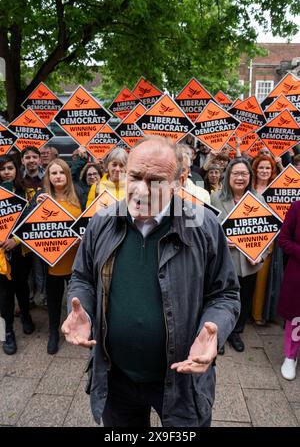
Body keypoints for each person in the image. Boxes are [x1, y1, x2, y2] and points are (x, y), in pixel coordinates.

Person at [61, 136, 240, 427]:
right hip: (115, 379)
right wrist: (81, 309)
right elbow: (82, 278)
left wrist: (215, 329)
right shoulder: (102, 221)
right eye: (135, 176)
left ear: (178, 181)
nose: (142, 190)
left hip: (182, 381)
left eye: (155, 180)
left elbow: (225, 295)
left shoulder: (204, 226)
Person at [211, 158, 266, 354]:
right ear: (228, 176)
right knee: (221, 299)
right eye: (236, 173)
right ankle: (219, 334)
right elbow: (209, 230)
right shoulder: (216, 198)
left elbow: (266, 232)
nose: (240, 178)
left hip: (250, 263)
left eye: (244, 174)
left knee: (244, 299)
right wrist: (221, 241)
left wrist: (260, 255)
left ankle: (236, 332)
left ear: (250, 177)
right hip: (225, 262)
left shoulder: (258, 200)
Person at [29, 159, 82, 354]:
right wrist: (36, 207)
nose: (58, 176)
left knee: (77, 299)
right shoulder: (40, 197)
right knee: (53, 301)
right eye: (53, 173)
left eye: (61, 172)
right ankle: (53, 332)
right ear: (48, 177)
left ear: (67, 175)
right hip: (52, 264)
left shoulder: (79, 194)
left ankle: (78, 329)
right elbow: (27, 226)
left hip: (75, 261)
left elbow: (90, 223)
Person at [0, 155, 35, 355]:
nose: (6, 172)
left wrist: (16, 240)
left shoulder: (27, 193)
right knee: (4, 295)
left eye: (10, 168)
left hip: (21, 251)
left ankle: (26, 316)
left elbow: (31, 222)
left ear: (16, 170)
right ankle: (8, 334)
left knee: (22, 286)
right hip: (1, 254)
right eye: (3, 168)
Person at [251, 155, 277, 325]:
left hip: (268, 238)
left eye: (268, 168)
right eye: (261, 167)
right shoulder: (248, 187)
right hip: (246, 236)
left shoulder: (277, 190)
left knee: (261, 277)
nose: (264, 171)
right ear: (255, 170)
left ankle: (257, 314)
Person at [277, 200, 300, 380]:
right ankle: (290, 356)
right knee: (296, 317)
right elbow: (283, 239)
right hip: (297, 272)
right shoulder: (297, 207)